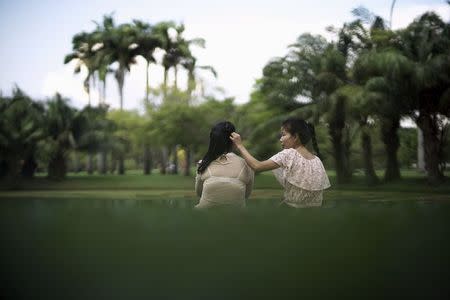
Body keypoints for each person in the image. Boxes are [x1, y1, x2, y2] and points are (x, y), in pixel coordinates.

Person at [230, 117, 330, 208]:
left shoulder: (288, 154)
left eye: (283, 135)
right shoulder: (317, 160)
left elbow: (257, 166)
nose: (281, 139)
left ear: (295, 137)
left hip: (295, 213)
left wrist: (240, 146)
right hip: (315, 213)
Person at [195, 121, 254, 209]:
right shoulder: (246, 164)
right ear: (233, 139)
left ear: (212, 140)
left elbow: (199, 193)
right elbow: (246, 195)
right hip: (238, 218)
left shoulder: (203, 164)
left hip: (204, 215)